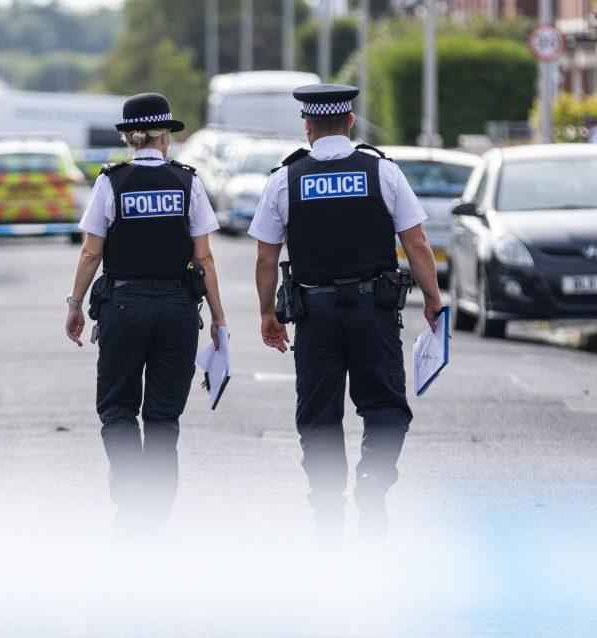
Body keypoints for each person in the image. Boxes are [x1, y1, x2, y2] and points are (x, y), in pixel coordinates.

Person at [248, 84, 443, 546]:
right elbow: (415, 243)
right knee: (385, 407)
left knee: (318, 415)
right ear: (350, 122)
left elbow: (264, 258)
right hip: (374, 313)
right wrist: (433, 299)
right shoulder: (382, 171)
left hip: (314, 314)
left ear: (308, 127)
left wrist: (267, 315)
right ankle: (374, 483)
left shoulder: (284, 178)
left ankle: (327, 507)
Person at [64, 92, 226, 538]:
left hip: (122, 308)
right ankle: (154, 512)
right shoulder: (188, 183)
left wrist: (76, 305)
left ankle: (130, 480)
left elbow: (92, 251)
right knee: (162, 417)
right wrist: (218, 319)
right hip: (176, 310)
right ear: (165, 139)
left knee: (117, 407)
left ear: (129, 138)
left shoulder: (110, 183)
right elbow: (205, 259)